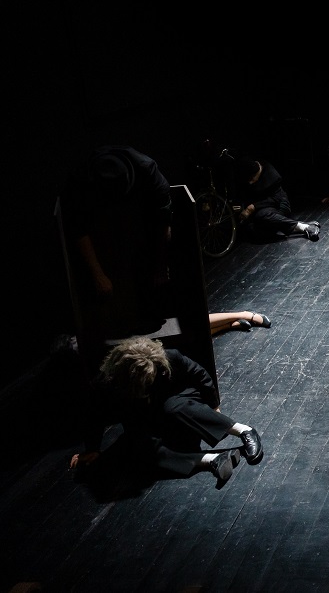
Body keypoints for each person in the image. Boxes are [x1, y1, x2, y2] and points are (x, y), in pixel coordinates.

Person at [69, 336, 264, 489]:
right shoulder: (106, 384)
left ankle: (244, 430)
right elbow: (93, 416)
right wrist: (92, 449)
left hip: (177, 401)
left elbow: (200, 375)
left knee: (175, 407)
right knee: (139, 446)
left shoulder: (168, 358)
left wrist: (214, 409)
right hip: (146, 420)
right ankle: (212, 459)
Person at [59, 145, 173, 353]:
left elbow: (163, 223)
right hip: (104, 237)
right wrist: (98, 274)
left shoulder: (148, 171)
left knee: (151, 294)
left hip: (142, 231)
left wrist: (160, 266)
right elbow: (77, 229)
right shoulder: (80, 180)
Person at [233, 156, 321, 242]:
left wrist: (253, 207)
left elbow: (275, 199)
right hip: (257, 212)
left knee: (262, 215)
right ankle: (294, 224)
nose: (250, 182)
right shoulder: (246, 172)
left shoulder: (271, 174)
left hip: (277, 205)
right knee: (252, 230)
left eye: (252, 178)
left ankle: (305, 227)